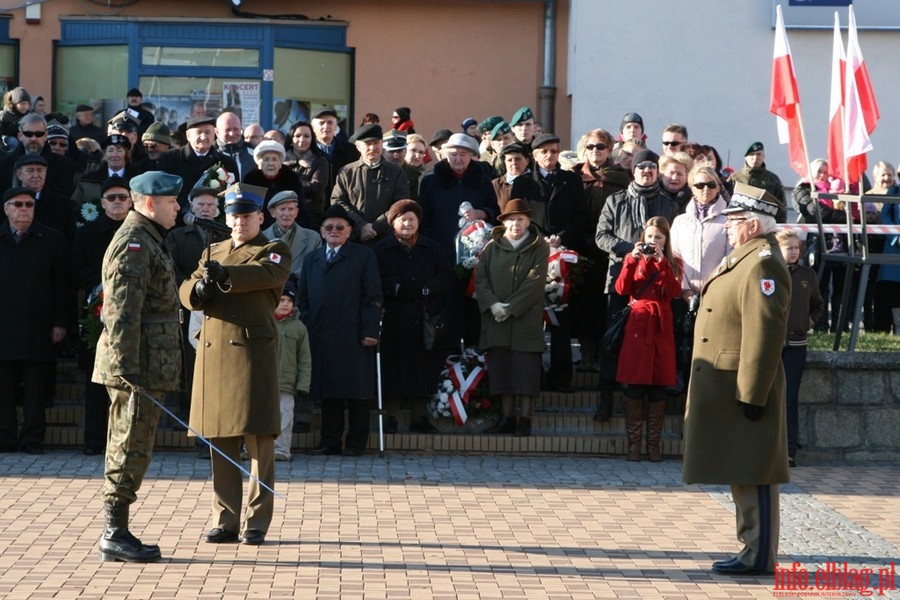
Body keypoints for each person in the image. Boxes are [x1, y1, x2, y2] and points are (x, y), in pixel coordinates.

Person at [682, 183, 791, 577]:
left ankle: (759, 554)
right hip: (729, 383)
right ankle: (751, 548)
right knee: (741, 469)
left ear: (750, 224)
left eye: (733, 221)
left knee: (754, 472)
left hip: (743, 386)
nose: (727, 227)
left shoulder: (762, 262)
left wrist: (753, 391)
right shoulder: (745, 257)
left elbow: (765, 331)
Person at [178, 182, 291, 546]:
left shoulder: (273, 249)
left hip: (250, 354)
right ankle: (225, 519)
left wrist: (225, 276)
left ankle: (256, 521)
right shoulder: (214, 249)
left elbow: (266, 276)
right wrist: (198, 291)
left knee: (260, 443)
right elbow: (187, 287)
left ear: (261, 216)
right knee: (220, 442)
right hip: (215, 355)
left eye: (246, 215)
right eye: (234, 216)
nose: (240, 222)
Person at [91, 171, 184, 562]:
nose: (178, 207)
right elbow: (121, 311)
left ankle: (119, 528)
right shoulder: (134, 242)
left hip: (147, 360)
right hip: (137, 364)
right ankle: (115, 532)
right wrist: (127, 368)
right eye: (171, 201)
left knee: (136, 444)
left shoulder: (148, 238)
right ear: (149, 204)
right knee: (129, 444)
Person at [594, 149, 678, 422]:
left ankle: (646, 401)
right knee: (612, 342)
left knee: (653, 345)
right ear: (634, 170)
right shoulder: (615, 201)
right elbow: (601, 236)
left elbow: (675, 243)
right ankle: (606, 400)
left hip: (657, 288)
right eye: (642, 166)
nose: (647, 171)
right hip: (622, 281)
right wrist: (631, 251)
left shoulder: (669, 204)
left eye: (652, 167)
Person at [299, 204, 383, 457]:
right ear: (322, 232)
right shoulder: (311, 259)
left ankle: (356, 443)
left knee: (358, 391)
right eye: (329, 227)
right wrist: (308, 322)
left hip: (355, 333)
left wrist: (370, 330)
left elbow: (373, 296)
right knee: (329, 391)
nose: (334, 231)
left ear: (349, 231)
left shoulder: (363, 256)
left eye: (340, 227)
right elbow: (303, 297)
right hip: (321, 334)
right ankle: (330, 441)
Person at [512, 132, 588, 392]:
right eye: (544, 151)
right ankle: (533, 377)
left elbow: (581, 216)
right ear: (534, 155)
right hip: (532, 255)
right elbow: (518, 217)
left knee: (561, 318)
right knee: (532, 318)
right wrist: (541, 238)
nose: (550, 156)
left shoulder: (572, 181)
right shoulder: (523, 183)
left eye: (554, 151)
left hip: (564, 256)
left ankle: (561, 377)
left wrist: (562, 238)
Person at [0, 187, 69, 454]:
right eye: (17, 204)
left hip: (39, 326)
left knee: (35, 390)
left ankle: (32, 439)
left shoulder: (52, 239)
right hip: (3, 327)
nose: (23, 209)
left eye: (29, 204)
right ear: (6, 208)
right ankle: (5, 438)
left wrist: (60, 322)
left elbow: (61, 285)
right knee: (3, 389)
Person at [374, 200, 452, 434]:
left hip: (424, 318)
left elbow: (446, 276)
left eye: (412, 219)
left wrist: (428, 288)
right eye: (402, 219)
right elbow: (374, 279)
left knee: (423, 368)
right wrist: (396, 288)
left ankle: (420, 416)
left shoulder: (432, 247)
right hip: (393, 319)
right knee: (393, 368)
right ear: (393, 223)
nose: (407, 223)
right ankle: (392, 417)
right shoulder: (381, 249)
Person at [475, 199, 549, 437]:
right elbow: (481, 278)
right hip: (496, 320)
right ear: (503, 222)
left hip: (524, 319)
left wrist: (510, 308)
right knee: (503, 370)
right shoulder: (491, 247)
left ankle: (525, 419)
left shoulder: (539, 247)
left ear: (528, 222)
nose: (516, 224)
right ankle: (506, 418)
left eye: (521, 219)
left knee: (526, 373)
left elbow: (535, 282)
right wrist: (493, 304)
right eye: (511, 219)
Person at [70, 176, 132, 455]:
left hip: (132, 311)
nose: (117, 202)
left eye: (122, 197)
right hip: (98, 311)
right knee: (97, 380)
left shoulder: (140, 230)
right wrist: (104, 284)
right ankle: (95, 441)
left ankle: (127, 442)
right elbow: (75, 270)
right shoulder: (87, 233)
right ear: (102, 202)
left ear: (131, 201)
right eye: (111, 198)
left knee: (129, 380)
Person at [419, 132, 499, 348]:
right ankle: (449, 362)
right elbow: (423, 219)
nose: (458, 158)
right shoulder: (431, 181)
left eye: (463, 154)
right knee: (447, 309)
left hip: (476, 260)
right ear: (444, 155)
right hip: (443, 254)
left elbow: (496, 211)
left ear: (472, 156)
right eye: (453, 154)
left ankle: (474, 360)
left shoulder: (482, 181)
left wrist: (482, 213)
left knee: (474, 308)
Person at [615, 216, 681, 461]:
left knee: (658, 386)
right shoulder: (632, 259)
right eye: (650, 237)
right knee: (634, 383)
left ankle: (653, 446)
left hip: (662, 325)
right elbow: (621, 289)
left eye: (659, 238)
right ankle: (633, 446)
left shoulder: (672, 263)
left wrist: (662, 262)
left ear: (666, 241)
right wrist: (632, 260)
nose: (653, 242)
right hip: (638, 323)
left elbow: (673, 292)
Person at [669, 165, 731, 392]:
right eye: (700, 185)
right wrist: (685, 289)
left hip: (715, 297)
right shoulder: (680, 221)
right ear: (691, 188)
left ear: (718, 186)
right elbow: (675, 258)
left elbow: (730, 258)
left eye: (711, 184)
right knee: (683, 347)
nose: (705, 189)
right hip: (685, 295)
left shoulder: (729, 219)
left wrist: (709, 290)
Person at [573, 128, 629, 372]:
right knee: (583, 304)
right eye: (590, 147)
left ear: (610, 149)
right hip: (582, 249)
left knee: (605, 304)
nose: (595, 151)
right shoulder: (574, 176)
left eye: (600, 147)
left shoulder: (621, 178)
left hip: (611, 251)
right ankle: (586, 355)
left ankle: (604, 356)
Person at [775, 229, 824, 468]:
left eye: (796, 248)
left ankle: (789, 451)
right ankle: (768, 448)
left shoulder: (808, 274)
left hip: (796, 345)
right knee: (766, 396)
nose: (794, 252)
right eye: (789, 248)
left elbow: (818, 305)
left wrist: (809, 323)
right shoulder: (769, 273)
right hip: (772, 345)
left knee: (790, 397)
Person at [330, 123, 410, 244]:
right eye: (368, 144)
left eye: (376, 143)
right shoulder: (346, 172)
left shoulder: (396, 173)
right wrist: (360, 226)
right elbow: (338, 202)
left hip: (386, 240)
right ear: (358, 146)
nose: (373, 148)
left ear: (382, 143)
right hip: (353, 240)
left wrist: (376, 226)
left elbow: (400, 204)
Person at [157, 115, 239, 213]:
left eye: (208, 132)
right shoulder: (169, 158)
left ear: (215, 134)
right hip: (177, 219)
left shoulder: (227, 162)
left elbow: (233, 196)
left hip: (213, 222)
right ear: (188, 136)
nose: (203, 137)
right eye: (198, 132)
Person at [273, 277, 311, 461]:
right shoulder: (264, 323)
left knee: (285, 417)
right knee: (259, 417)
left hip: (287, 382)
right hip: (262, 381)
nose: (286, 304)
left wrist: (303, 383)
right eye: (281, 300)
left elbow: (304, 359)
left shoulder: (299, 327)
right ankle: (255, 448)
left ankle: (281, 449)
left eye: (289, 301)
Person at [242, 139, 310, 229]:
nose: (271, 164)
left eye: (275, 159)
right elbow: (247, 213)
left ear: (280, 163)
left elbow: (302, 211)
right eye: (266, 159)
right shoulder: (250, 181)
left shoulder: (291, 179)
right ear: (258, 163)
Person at [262, 189, 322, 282]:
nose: (287, 214)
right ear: (273, 213)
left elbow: (315, 272)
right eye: (282, 209)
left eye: (291, 209)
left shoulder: (313, 238)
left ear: (297, 212)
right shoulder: (261, 239)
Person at [284, 120, 329, 228]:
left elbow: (315, 188)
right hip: (283, 217)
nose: (302, 140)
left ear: (312, 139)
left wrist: (286, 183)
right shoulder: (280, 160)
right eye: (297, 136)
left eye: (306, 136)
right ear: (291, 138)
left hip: (310, 218)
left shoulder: (320, 161)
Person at [728, 142, 787, 222]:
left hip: (766, 225)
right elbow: (727, 203)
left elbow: (781, 206)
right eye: (752, 154)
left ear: (763, 156)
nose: (755, 158)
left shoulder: (773, 179)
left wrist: (779, 227)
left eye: (758, 154)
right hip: (741, 224)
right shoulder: (735, 178)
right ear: (745, 157)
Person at [312, 106, 360, 196]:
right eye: (321, 123)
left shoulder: (351, 150)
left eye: (330, 122)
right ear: (313, 127)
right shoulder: (308, 151)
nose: (326, 126)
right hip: (315, 206)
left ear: (336, 126)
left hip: (342, 204)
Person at [215, 111, 255, 180]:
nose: (232, 133)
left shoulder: (254, 154)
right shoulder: (210, 154)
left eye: (236, 129)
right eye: (227, 130)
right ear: (217, 132)